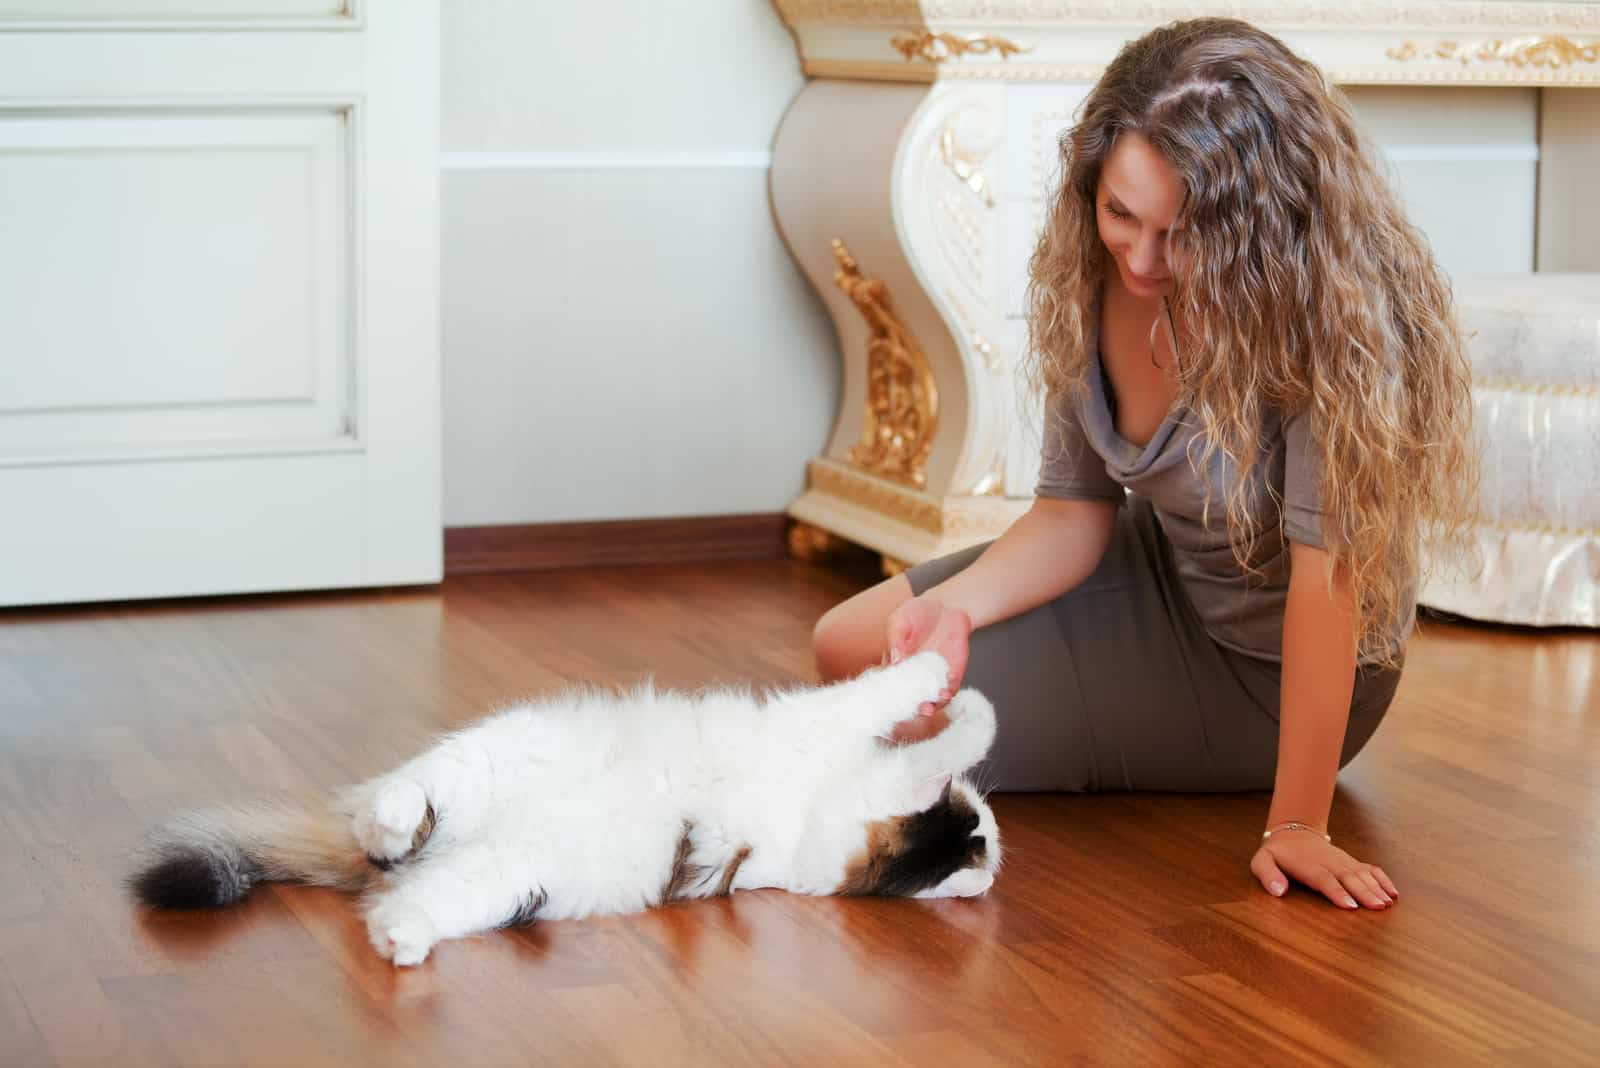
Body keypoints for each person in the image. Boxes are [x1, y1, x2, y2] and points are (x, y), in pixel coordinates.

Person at [810, 18, 1476, 911]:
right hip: (1162, 570)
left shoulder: (1329, 327)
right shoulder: (1096, 275)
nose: (1142, 259)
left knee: (895, 725)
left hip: (1273, 672)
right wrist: (955, 611)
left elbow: (1332, 582)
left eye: (1183, 231)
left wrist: (1298, 824)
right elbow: (1072, 513)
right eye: (1121, 212)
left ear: (1256, 221)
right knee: (849, 648)